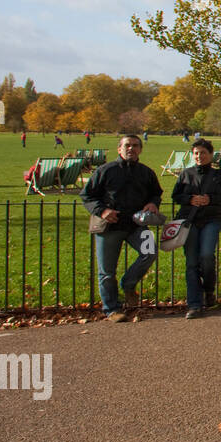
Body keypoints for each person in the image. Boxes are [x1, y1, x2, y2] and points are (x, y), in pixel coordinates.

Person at [81, 134, 163, 322]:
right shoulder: (105, 171)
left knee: (150, 252)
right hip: (109, 225)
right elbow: (87, 196)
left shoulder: (146, 172)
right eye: (127, 145)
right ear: (119, 149)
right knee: (107, 271)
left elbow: (156, 193)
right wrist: (102, 211)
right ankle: (112, 309)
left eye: (135, 146)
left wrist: (152, 203)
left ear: (140, 150)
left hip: (135, 224)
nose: (131, 149)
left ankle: (128, 283)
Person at [171, 138, 221, 319]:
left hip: (211, 220)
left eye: (203, 153)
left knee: (206, 256)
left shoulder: (219, 175)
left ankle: (208, 289)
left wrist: (211, 200)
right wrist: (189, 199)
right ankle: (194, 304)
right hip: (189, 221)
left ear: (210, 155)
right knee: (191, 262)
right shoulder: (185, 174)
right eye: (196, 153)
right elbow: (175, 196)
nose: (199, 156)